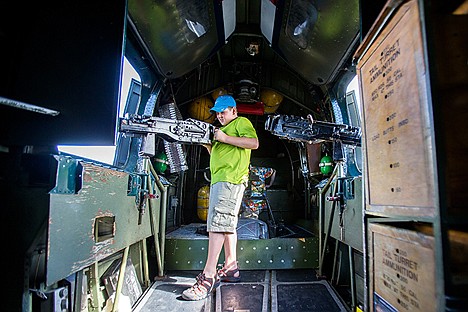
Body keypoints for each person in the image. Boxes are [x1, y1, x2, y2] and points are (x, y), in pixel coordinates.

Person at [182, 94, 259, 301]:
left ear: (234, 110)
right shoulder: (221, 131)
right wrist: (209, 146)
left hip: (230, 179)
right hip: (221, 179)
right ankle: (231, 267)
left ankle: (208, 277)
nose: (219, 116)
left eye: (223, 112)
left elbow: (253, 143)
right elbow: (222, 152)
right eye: (217, 113)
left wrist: (223, 138)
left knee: (216, 224)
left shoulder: (241, 122)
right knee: (227, 225)